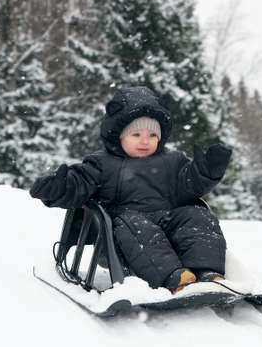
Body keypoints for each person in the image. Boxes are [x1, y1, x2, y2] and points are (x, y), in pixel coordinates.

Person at [30, 86, 232, 294]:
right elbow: (80, 185)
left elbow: (190, 185)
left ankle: (207, 272)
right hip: (120, 237)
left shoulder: (173, 161)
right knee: (135, 224)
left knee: (197, 215)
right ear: (118, 136)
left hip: (167, 222)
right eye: (136, 134)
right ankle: (173, 278)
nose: (145, 141)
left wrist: (207, 171)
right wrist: (58, 188)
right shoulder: (102, 163)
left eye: (153, 134)